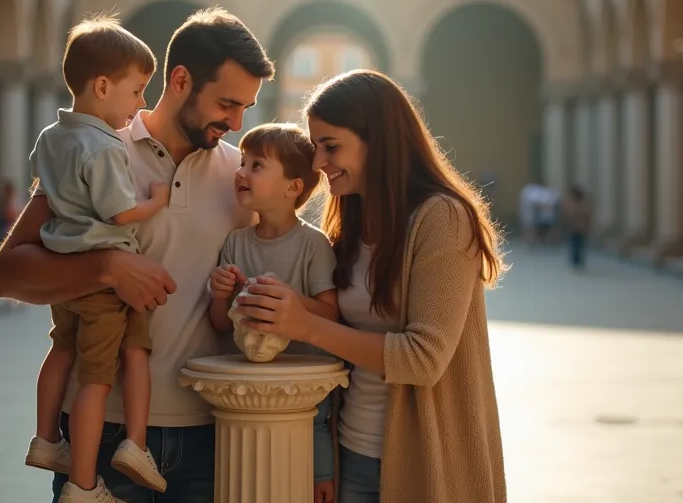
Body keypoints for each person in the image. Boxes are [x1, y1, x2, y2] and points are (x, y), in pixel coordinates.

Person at [0, 7, 272, 503]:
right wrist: (105, 265)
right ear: (180, 79)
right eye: (228, 103)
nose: (237, 121)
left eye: (247, 107)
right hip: (99, 437)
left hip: (210, 430)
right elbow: (7, 274)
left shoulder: (242, 178)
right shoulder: (93, 148)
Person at [234, 70, 507, 503]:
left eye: (331, 146)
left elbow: (422, 359)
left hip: (423, 457)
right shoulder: (348, 221)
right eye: (316, 146)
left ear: (378, 141)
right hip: (349, 450)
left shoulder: (443, 219)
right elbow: (341, 325)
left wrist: (304, 325)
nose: (318, 162)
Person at [25, 17, 172, 501]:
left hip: (64, 274)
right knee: (95, 382)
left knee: (60, 350)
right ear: (103, 86)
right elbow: (120, 211)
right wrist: (156, 201)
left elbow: (45, 189)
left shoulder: (51, 135)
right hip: (104, 279)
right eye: (137, 91)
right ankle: (85, 484)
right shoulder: (106, 145)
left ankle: (47, 439)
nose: (142, 103)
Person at [205, 123, 339, 502]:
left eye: (257, 165)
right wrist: (220, 295)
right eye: (243, 162)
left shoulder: (313, 245)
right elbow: (219, 324)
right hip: (248, 394)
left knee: (305, 478)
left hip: (304, 392)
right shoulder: (234, 242)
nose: (241, 172)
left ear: (293, 187)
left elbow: (331, 314)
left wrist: (285, 302)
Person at [561, 186, 593, 270]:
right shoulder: (572, 203)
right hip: (575, 228)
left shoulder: (582, 204)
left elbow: (588, 215)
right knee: (575, 244)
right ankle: (575, 261)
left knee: (579, 245)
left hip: (580, 228)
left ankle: (577, 261)